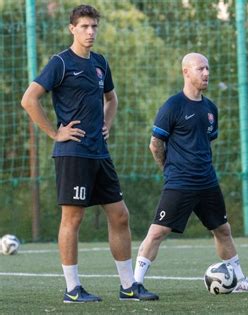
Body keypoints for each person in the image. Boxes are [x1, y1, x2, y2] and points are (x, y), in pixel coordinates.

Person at [21, 5, 158, 303]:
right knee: (73, 219)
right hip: (73, 153)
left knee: (120, 215)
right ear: (72, 28)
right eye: (84, 26)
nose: (90, 32)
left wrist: (106, 123)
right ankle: (72, 289)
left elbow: (112, 98)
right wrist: (55, 133)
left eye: (94, 26)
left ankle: (128, 287)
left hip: (99, 153)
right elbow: (29, 99)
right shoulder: (60, 62)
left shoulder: (100, 63)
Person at [133, 52, 248, 294]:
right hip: (179, 182)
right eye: (200, 69)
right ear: (186, 72)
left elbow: (205, 142)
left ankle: (240, 280)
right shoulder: (173, 106)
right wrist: (168, 169)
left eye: (207, 69)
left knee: (223, 230)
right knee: (158, 231)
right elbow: (155, 144)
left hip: (207, 182)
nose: (206, 73)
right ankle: (135, 285)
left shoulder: (210, 108)